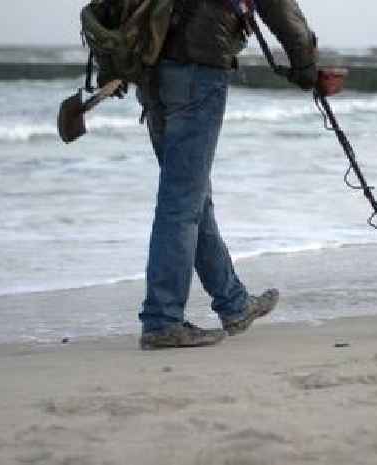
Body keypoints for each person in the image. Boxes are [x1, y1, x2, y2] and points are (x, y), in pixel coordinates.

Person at [137, 0, 318, 350]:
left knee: (191, 197)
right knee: (182, 203)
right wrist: (304, 62)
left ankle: (234, 303)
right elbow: (279, 8)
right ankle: (162, 320)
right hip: (198, 66)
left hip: (150, 67)